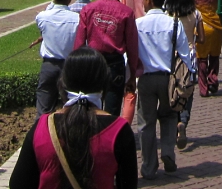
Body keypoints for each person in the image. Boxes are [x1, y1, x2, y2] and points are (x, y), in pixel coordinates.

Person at [9, 47, 138, 189]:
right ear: (104, 84)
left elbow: (18, 184)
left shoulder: (43, 126)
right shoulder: (119, 130)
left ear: (63, 83)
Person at [134, 0, 196, 179]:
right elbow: (185, 54)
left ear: (150, 0)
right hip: (168, 79)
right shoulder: (173, 23)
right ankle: (168, 152)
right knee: (169, 117)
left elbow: (130, 54)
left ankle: (148, 166)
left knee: (146, 122)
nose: (142, 2)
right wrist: (189, 77)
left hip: (145, 78)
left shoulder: (137, 24)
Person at [74, 0, 143, 117]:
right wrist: (132, 74)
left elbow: (79, 43)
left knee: (90, 108)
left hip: (93, 64)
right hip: (115, 66)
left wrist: (77, 70)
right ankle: (109, 137)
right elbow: (132, 46)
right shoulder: (126, 12)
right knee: (111, 112)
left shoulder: (88, 10)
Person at [164, 0, 204, 149]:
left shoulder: (168, 15)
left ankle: (174, 121)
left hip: (171, 57)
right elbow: (202, 38)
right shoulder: (195, 13)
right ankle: (184, 121)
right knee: (187, 91)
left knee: (172, 89)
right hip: (189, 57)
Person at [34, 0, 82, 115]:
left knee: (43, 110)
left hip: (48, 66)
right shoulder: (77, 19)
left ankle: (41, 134)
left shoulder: (42, 17)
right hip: (69, 67)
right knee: (71, 110)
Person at [195, 0, 222, 97]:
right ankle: (213, 80)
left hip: (202, 27)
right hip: (217, 28)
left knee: (201, 59)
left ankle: (203, 87)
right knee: (214, 56)